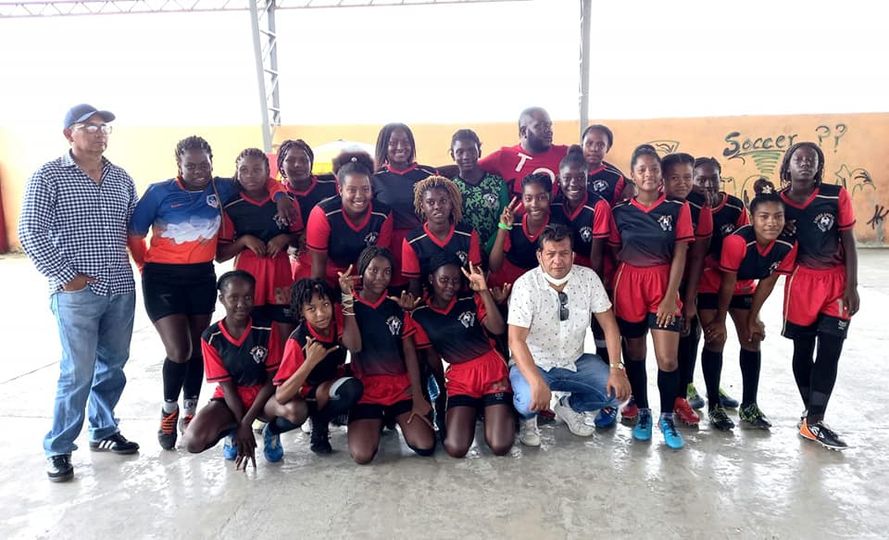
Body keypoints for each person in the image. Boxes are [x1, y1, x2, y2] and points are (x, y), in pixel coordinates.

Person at [128, 136, 288, 451]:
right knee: (179, 350)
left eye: (204, 164)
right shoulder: (159, 192)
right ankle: (169, 410)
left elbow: (259, 180)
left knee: (198, 347)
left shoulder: (221, 188)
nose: (199, 171)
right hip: (162, 279)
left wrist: (281, 193)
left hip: (201, 276)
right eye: (191, 165)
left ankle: (190, 410)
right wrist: (144, 265)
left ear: (212, 163)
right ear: (179, 165)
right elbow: (135, 232)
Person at [19, 104, 140, 482]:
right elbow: (30, 231)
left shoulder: (121, 178)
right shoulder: (48, 176)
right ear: (69, 133)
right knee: (77, 371)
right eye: (89, 126)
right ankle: (58, 447)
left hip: (120, 287)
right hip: (77, 294)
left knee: (114, 365)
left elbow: (134, 228)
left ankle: (103, 429)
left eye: (104, 127)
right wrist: (66, 277)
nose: (99, 132)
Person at [508, 224, 630, 447]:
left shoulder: (588, 279)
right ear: (539, 256)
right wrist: (535, 380)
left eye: (564, 253)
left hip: (574, 361)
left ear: (573, 255)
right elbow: (515, 340)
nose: (558, 260)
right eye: (551, 254)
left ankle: (569, 406)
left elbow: (610, 326)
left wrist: (616, 368)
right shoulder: (525, 285)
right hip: (535, 363)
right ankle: (528, 420)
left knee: (618, 393)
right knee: (527, 401)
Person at [608, 145, 693, 449]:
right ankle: (643, 411)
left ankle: (666, 417)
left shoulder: (677, 208)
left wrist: (671, 297)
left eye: (654, 169)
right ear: (632, 174)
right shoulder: (620, 211)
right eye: (642, 169)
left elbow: (681, 253)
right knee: (635, 353)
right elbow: (615, 250)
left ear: (661, 174)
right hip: (629, 284)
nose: (648, 174)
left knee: (668, 358)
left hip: (663, 284)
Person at [699, 180, 797, 431]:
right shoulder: (737, 241)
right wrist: (720, 321)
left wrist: (754, 318)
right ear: (752, 219)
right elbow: (727, 283)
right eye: (764, 217)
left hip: (744, 287)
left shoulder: (788, 244)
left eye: (778, 217)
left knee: (752, 337)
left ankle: (749, 406)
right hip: (712, 285)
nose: (771, 223)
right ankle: (714, 406)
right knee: (716, 338)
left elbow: (767, 282)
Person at [778, 142, 858, 450]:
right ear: (788, 165)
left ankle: (814, 420)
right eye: (798, 159)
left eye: (811, 159)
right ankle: (811, 416)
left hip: (836, 282)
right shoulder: (779, 202)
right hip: (801, 283)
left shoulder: (835, 195)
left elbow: (849, 240)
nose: (805, 163)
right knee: (803, 350)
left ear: (819, 166)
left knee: (830, 351)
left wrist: (852, 285)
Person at [408, 255, 514, 457]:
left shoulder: (470, 300)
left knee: (500, 445)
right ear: (431, 279)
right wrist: (442, 393)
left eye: (456, 280)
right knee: (456, 448)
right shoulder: (420, 315)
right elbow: (432, 357)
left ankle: (493, 408)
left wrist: (483, 291)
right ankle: (479, 408)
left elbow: (498, 328)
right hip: (460, 379)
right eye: (444, 280)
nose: (451, 286)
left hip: (492, 371)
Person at [181, 271, 282, 469]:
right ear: (221, 299)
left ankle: (272, 431)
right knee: (192, 441)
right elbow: (227, 388)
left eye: (248, 297)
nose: (241, 304)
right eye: (233, 298)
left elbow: (272, 381)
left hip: (263, 395)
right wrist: (241, 426)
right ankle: (230, 431)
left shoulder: (267, 328)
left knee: (293, 410)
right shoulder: (211, 337)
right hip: (229, 398)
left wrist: (246, 424)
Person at [346, 247, 436, 464]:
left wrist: (417, 395)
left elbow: (409, 352)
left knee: (425, 445)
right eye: (373, 270)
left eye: (387, 272)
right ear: (362, 271)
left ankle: (392, 417)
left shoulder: (396, 308)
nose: (380, 277)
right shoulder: (350, 306)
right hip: (367, 391)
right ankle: (374, 420)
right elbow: (353, 347)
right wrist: (346, 301)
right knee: (362, 455)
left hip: (399, 389)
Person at [549, 145, 615, 428]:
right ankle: (561, 394)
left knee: (600, 333)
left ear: (588, 178)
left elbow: (597, 257)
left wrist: (589, 292)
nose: (574, 183)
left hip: (591, 278)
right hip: (560, 280)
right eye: (568, 178)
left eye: (580, 178)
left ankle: (608, 395)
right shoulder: (554, 205)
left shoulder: (598, 206)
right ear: (559, 179)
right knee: (562, 334)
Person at [217, 148, 304, 346]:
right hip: (247, 282)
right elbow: (220, 255)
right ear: (237, 172)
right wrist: (244, 241)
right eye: (244, 170)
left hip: (280, 279)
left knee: (286, 340)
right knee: (253, 341)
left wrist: (284, 238)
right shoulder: (231, 207)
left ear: (268, 172)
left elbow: (300, 239)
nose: (250, 175)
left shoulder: (287, 201)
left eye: (257, 170)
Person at [267, 276, 363, 455]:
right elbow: (281, 395)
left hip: (332, 383)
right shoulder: (297, 341)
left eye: (325, 305)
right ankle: (276, 429)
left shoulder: (336, 322)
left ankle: (327, 418)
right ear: (301, 312)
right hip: (308, 395)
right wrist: (309, 362)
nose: (321, 313)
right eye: (311, 309)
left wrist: (347, 297)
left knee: (360, 380)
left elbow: (355, 347)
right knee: (298, 411)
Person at [688, 156, 749, 410]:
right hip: (698, 282)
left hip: (731, 281)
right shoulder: (686, 205)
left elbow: (745, 244)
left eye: (713, 178)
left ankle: (714, 387)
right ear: (692, 181)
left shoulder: (734, 207)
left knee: (730, 336)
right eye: (701, 179)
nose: (708, 185)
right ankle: (688, 386)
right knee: (696, 335)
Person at [660, 152, 713, 428]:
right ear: (662, 178)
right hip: (651, 279)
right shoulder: (651, 199)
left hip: (683, 282)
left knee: (686, 336)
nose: (682, 183)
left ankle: (680, 396)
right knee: (635, 340)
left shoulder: (700, 205)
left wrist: (690, 299)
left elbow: (698, 256)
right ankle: (634, 395)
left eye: (687, 177)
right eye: (674, 178)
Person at [305, 151, 394, 287]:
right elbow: (318, 270)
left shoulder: (383, 214)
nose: (359, 196)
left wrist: (362, 291)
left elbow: (379, 262)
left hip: (364, 278)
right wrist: (323, 294)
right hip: (329, 278)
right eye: (352, 190)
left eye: (365, 189)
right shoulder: (323, 213)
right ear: (340, 190)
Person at [371, 123, 437, 290]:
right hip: (390, 246)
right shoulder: (375, 178)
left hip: (424, 243)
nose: (400, 147)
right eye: (393, 143)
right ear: (384, 146)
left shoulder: (429, 175)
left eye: (405, 142)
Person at [401, 175, 482, 297]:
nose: (437, 206)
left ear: (451, 203)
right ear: (422, 206)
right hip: (429, 303)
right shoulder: (412, 241)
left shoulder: (468, 234)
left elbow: (475, 278)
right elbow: (414, 286)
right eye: (430, 202)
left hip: (464, 300)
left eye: (443, 201)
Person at [276, 139, 338, 280]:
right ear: (281, 166)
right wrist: (291, 239)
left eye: (304, 159)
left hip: (335, 258)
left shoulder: (331, 183)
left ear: (311, 163)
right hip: (302, 262)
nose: (298, 164)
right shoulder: (279, 195)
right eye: (290, 160)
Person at [477, 107, 568, 196]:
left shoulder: (565, 154)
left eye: (549, 125)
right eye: (539, 126)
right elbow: (472, 169)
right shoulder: (503, 157)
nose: (548, 130)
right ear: (523, 131)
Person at [448, 129, 510, 258]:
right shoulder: (450, 189)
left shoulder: (497, 184)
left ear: (479, 152)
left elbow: (504, 221)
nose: (466, 156)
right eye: (460, 152)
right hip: (463, 255)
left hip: (496, 251)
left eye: (471, 150)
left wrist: (487, 249)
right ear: (453, 156)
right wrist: (473, 252)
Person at [489, 173, 553, 289]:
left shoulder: (555, 227)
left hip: (539, 283)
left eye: (541, 197)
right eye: (528, 198)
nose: (534, 204)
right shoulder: (514, 224)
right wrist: (503, 228)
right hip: (508, 283)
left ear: (550, 197)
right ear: (522, 199)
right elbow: (494, 267)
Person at [581, 124, 633, 205]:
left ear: (607, 148)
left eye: (600, 145)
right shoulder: (572, 172)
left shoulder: (615, 178)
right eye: (589, 143)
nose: (594, 149)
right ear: (582, 145)